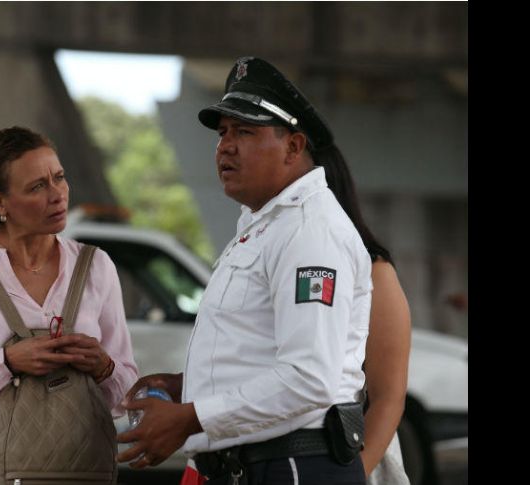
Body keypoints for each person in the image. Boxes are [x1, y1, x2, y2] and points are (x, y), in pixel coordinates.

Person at [116, 56, 373, 484]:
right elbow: (258, 351)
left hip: (292, 466)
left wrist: (191, 417)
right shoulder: (266, 224)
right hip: (254, 465)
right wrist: (191, 386)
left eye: (246, 132)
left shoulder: (309, 231)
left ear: (293, 146)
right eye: (223, 133)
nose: (226, 147)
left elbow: (309, 378)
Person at [0, 126, 138, 485]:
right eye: (37, 187)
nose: (57, 195)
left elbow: (125, 396)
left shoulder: (96, 266)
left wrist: (103, 366)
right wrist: (7, 362)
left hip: (79, 473)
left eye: (59, 178)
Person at [316, 129, 412, 483]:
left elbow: (388, 397)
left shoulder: (375, 270)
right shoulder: (262, 252)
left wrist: (352, 475)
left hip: (340, 458)